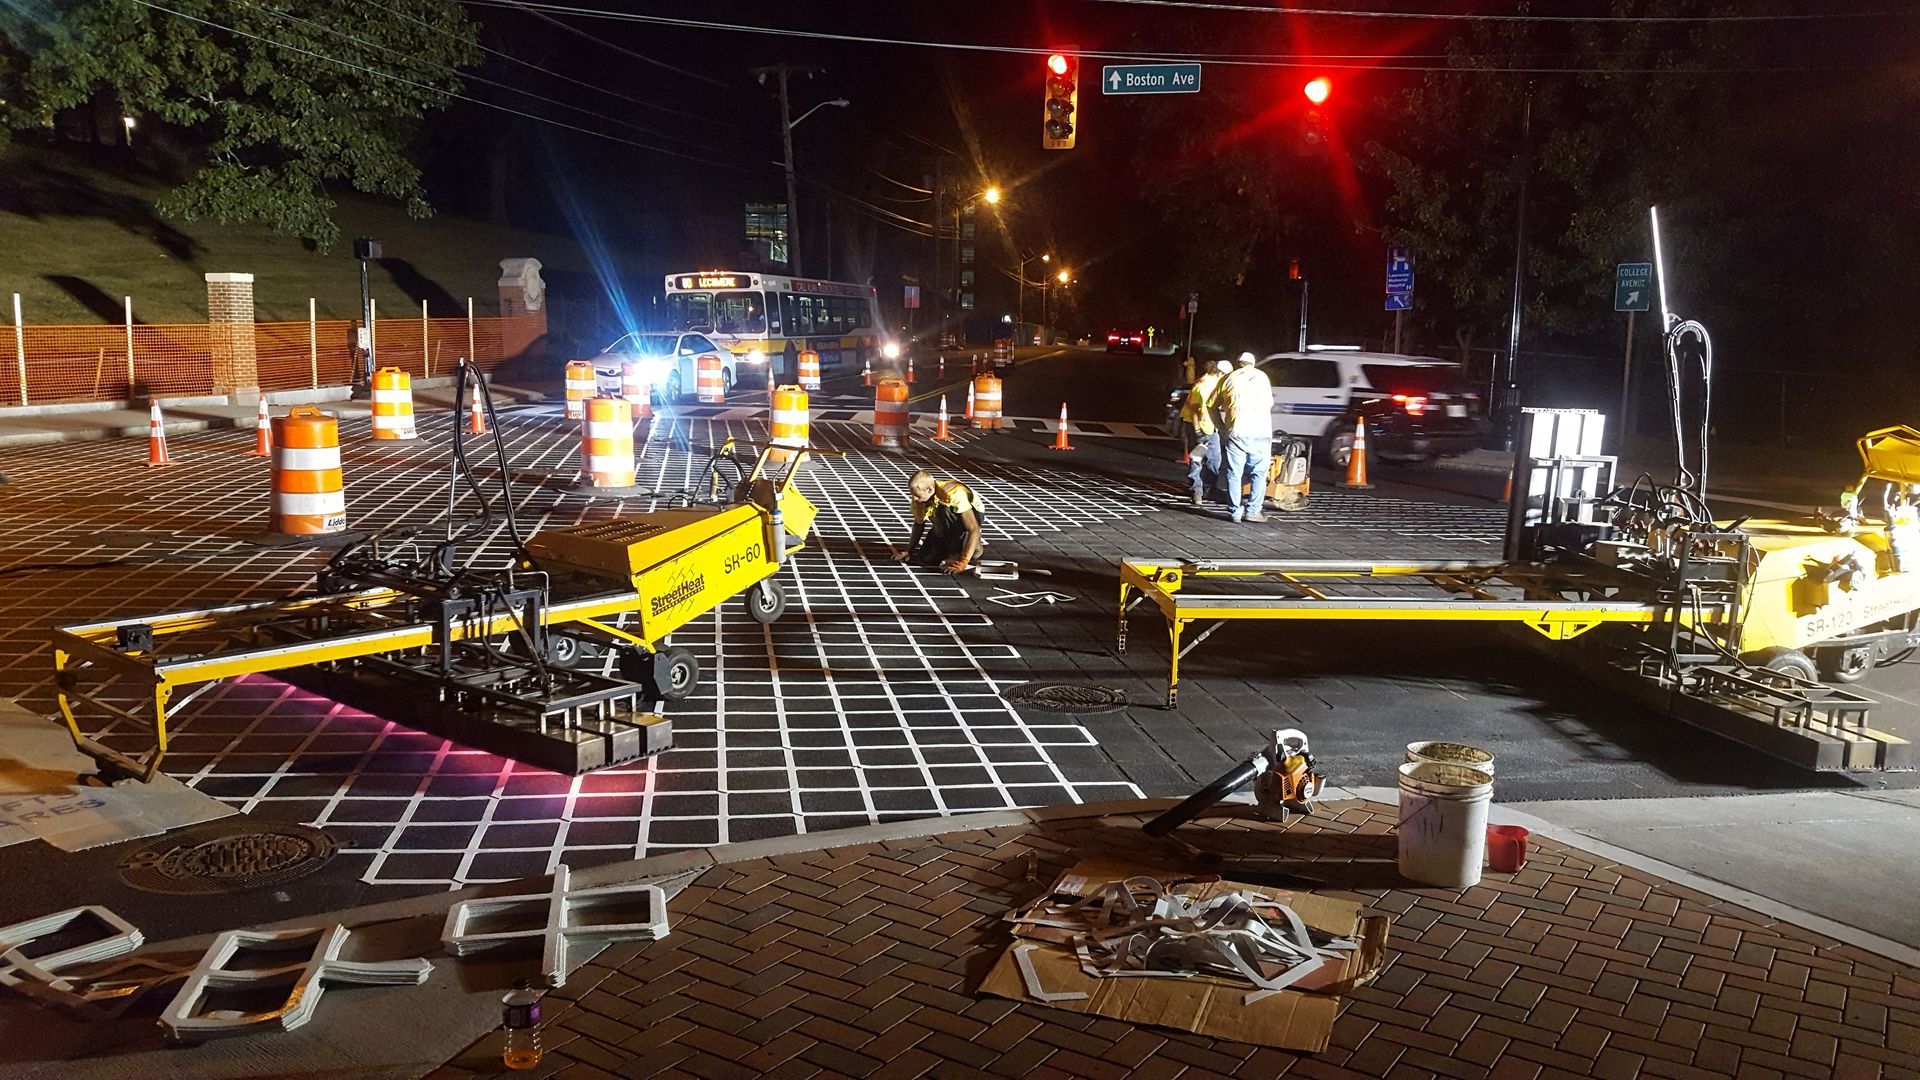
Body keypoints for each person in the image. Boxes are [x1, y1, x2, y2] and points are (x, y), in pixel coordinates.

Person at [1218, 351, 1274, 523]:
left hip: (1237, 431)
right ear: (1253, 363)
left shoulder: (1229, 378)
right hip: (1261, 432)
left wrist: (1221, 427)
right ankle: (1253, 511)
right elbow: (1270, 403)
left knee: (1234, 473)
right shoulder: (1263, 377)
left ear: (1238, 363)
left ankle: (1235, 513)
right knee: (1259, 472)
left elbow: (1210, 405)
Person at [893, 470, 985, 573]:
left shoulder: (953, 494)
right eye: (912, 494)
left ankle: (971, 547)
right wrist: (909, 550)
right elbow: (919, 524)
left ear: (929, 490)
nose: (914, 498)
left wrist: (963, 562)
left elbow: (973, 528)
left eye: (917, 495)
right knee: (926, 558)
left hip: (970, 518)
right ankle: (948, 543)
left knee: (944, 509)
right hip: (946, 520)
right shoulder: (920, 498)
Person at [1180, 360, 1232, 505]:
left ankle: (1202, 490)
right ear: (1220, 373)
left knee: (1206, 459)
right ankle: (1199, 491)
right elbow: (1196, 411)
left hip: (1205, 426)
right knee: (1203, 459)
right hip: (1199, 426)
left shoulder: (1210, 383)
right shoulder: (1204, 386)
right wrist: (1198, 432)